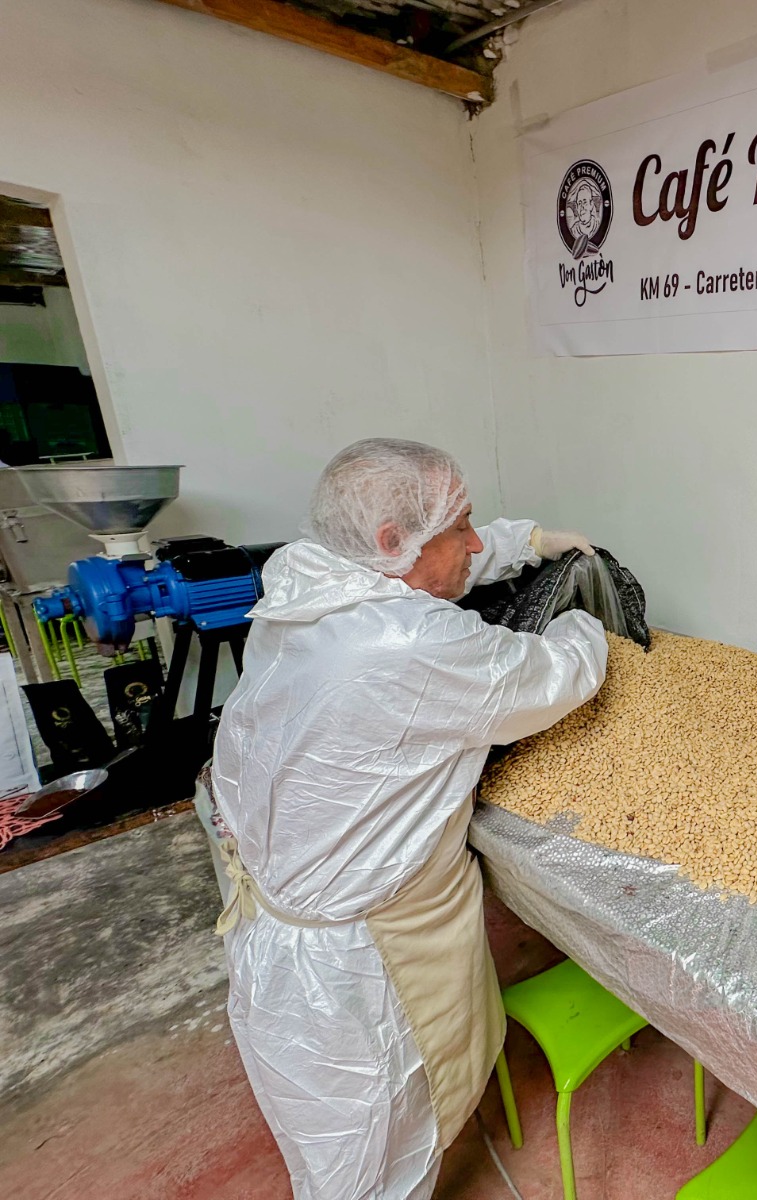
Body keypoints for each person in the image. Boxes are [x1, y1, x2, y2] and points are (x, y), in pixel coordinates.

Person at [203, 438, 608, 1199]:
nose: (473, 542)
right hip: (354, 970)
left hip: (282, 921)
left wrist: (530, 543)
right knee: (373, 1150)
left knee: (333, 1137)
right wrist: (586, 621)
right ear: (393, 542)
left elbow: (429, 568)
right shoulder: (406, 645)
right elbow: (554, 679)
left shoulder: (306, 576)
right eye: (462, 525)